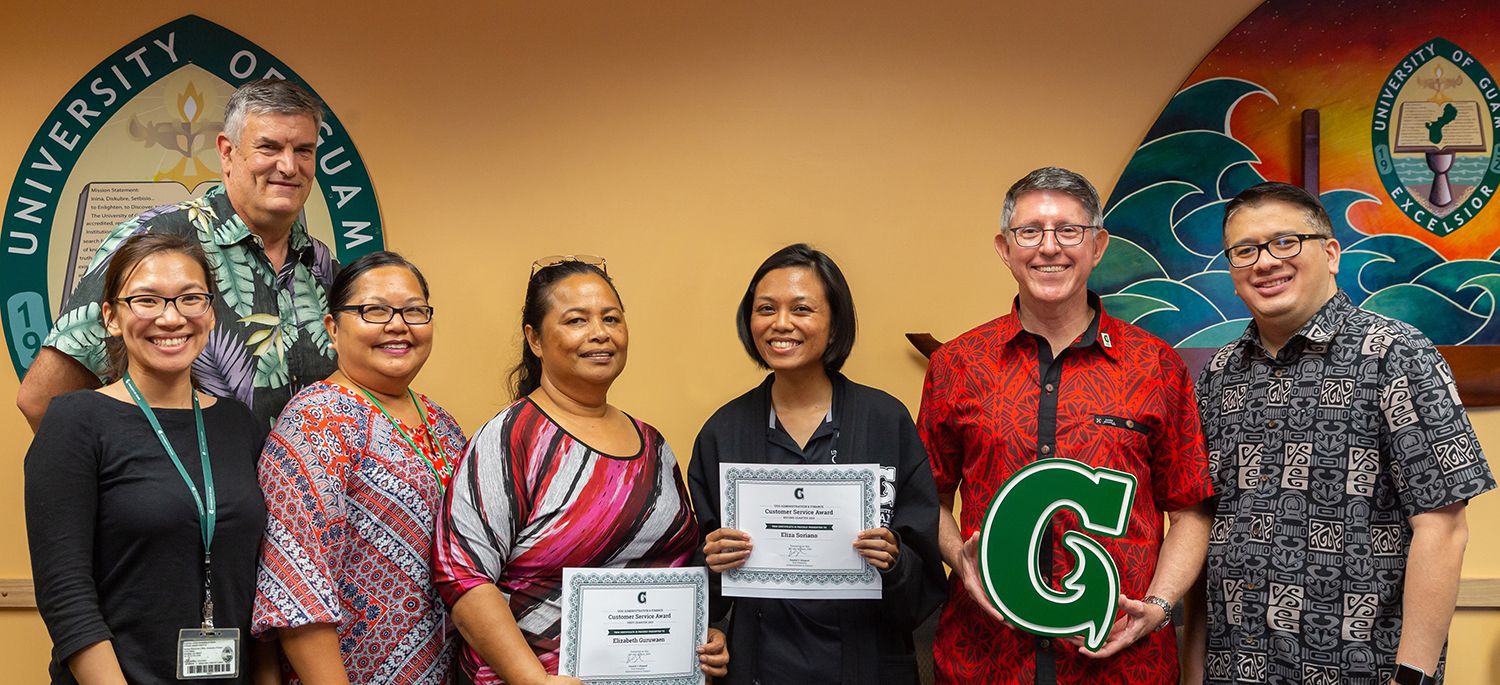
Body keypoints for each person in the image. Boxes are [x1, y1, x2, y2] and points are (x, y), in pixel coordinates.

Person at [1186, 182, 1495, 685]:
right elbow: (1208, 531)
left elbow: (1443, 530)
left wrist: (1412, 678)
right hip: (1234, 670)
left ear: (1330, 253)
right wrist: (1193, 671)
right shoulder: (1219, 375)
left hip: (1362, 671)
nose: (1265, 262)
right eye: (1245, 251)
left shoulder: (1397, 354)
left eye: (1286, 242)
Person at [917, 166, 1215, 684]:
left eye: (1068, 231)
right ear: (1004, 248)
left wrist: (1162, 606)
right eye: (1029, 232)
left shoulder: (1156, 366)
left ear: (1097, 246)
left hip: (1123, 666)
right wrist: (959, 562)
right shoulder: (957, 365)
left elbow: (1190, 508)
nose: (1048, 248)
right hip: (984, 662)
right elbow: (930, 497)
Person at [433, 256, 728, 685]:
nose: (599, 334)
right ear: (534, 339)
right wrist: (532, 680)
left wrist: (704, 635)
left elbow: (677, 569)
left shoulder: (653, 444)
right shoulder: (513, 437)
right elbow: (462, 573)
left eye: (611, 318)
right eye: (576, 320)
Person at [687, 244, 946, 684]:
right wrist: (710, 563)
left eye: (802, 309)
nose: (781, 323)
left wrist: (895, 560)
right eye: (765, 309)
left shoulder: (884, 421)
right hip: (759, 665)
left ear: (835, 322)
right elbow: (701, 593)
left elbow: (925, 581)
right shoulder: (723, 433)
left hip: (868, 664)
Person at [17, 78, 338, 429]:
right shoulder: (153, 240)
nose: (289, 166)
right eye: (269, 148)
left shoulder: (320, 265)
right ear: (227, 153)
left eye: (303, 151)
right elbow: (42, 401)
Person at [25, 233, 271, 683]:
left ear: (211, 314)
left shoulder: (240, 425)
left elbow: (264, 582)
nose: (171, 317)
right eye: (147, 300)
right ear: (112, 318)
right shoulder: (77, 421)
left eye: (190, 299)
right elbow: (66, 595)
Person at [251, 251, 462, 684]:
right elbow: (297, 587)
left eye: (414, 310)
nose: (398, 325)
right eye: (374, 310)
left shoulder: (441, 422)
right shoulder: (315, 421)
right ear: (332, 327)